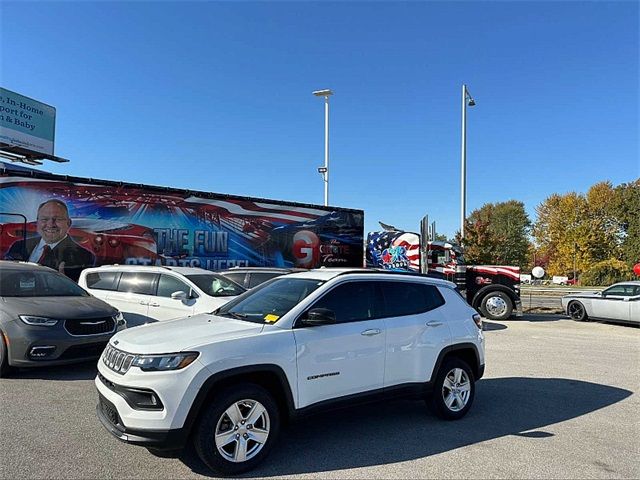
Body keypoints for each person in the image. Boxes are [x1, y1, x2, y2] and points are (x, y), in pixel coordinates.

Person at [4, 199, 95, 282]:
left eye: (58, 219)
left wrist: (65, 284)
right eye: (44, 219)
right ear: (37, 223)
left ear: (68, 223)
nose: (51, 224)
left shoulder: (84, 256)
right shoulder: (18, 246)